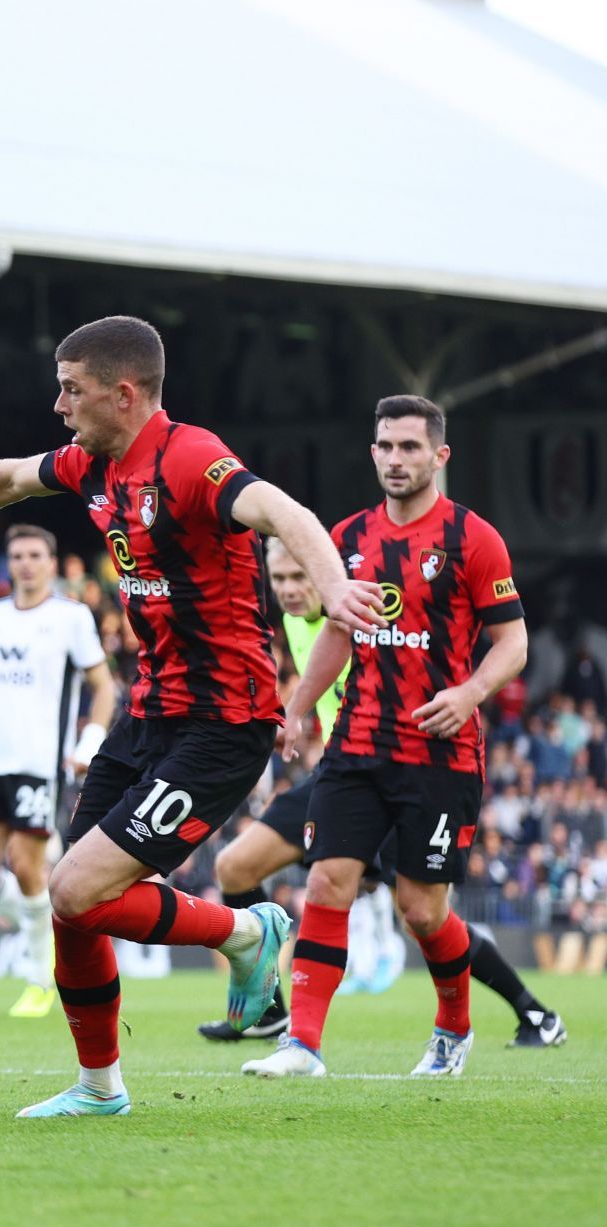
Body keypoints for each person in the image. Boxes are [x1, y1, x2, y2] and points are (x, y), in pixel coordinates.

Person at [0, 314, 385, 1118]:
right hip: (149, 709)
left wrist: (330, 588)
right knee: (67, 900)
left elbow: (285, 513)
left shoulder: (191, 457)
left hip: (223, 721)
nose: (58, 406)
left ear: (124, 394)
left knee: (78, 887)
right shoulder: (94, 461)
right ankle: (99, 1088)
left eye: (71, 389)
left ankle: (247, 935)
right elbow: (7, 478)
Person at [245, 395, 537, 1078]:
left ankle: (453, 1026)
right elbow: (338, 636)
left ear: (439, 455)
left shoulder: (472, 539)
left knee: (421, 909)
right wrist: (298, 705)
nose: (396, 459)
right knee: (326, 882)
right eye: (385, 446)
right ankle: (303, 1046)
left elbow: (513, 641)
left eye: (410, 447)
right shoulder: (346, 537)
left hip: (441, 754)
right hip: (356, 747)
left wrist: (469, 692)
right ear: (372, 452)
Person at [200, 539, 563, 1046]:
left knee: (424, 918)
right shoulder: (300, 626)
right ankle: (271, 1013)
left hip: (396, 776)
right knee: (233, 868)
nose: (286, 590)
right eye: (277, 579)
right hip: (339, 777)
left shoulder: (367, 620)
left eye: (297, 578)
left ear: (324, 574)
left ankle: (536, 1014)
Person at [0, 524, 116, 1018]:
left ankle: (37, 977)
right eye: (18, 556)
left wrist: (88, 742)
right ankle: (39, 932)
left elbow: (104, 688)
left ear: (51, 563)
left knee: (28, 865)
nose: (26, 564)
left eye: (35, 555)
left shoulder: (71, 618)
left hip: (39, 761)